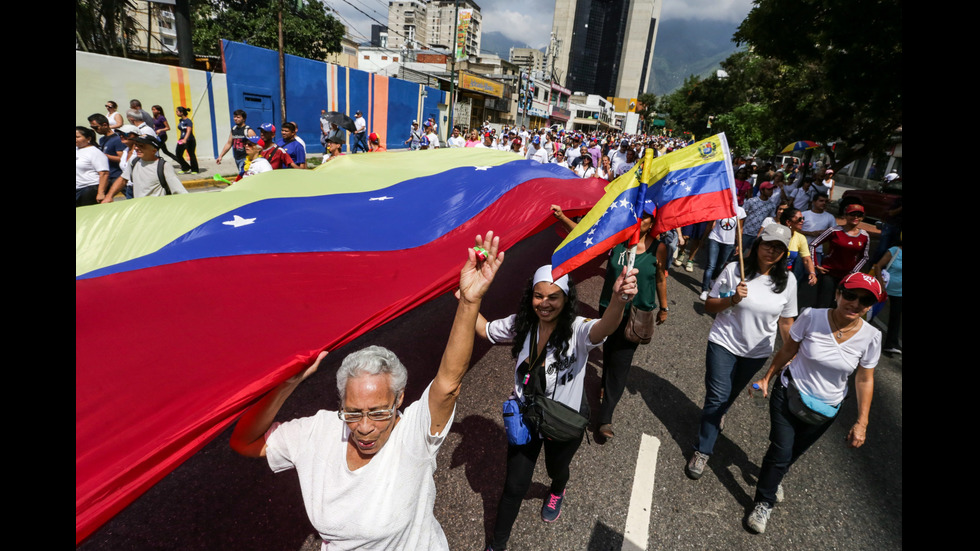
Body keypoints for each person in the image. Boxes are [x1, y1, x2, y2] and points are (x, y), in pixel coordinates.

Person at [230, 232, 504, 550]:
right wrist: (285, 388)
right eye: (353, 412)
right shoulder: (316, 432)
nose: (363, 427)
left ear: (399, 400)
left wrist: (470, 302)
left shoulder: (414, 436)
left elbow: (448, 384)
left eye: (377, 412)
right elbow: (244, 442)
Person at [476, 262, 637, 551]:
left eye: (553, 297)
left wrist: (618, 300)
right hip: (527, 420)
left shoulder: (577, 330)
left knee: (556, 468)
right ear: (531, 297)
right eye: (539, 296)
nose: (545, 303)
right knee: (514, 486)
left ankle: (557, 489)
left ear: (566, 298)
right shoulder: (522, 324)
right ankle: (496, 546)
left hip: (564, 421)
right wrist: (467, 300)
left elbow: (605, 326)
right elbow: (484, 329)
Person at [747, 273, 882, 534]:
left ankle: (775, 476)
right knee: (781, 450)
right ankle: (764, 501)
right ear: (838, 294)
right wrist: (766, 377)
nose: (855, 304)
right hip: (790, 391)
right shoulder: (812, 316)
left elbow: (865, 379)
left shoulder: (871, 337)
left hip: (826, 408)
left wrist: (862, 422)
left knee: (792, 452)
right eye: (851, 295)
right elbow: (789, 349)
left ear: (869, 307)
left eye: (864, 301)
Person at [685, 225, 797, 480]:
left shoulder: (788, 282)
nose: (772, 251)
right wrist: (733, 299)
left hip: (757, 351)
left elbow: (786, 321)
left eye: (779, 248)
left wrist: (791, 352)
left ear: (784, 253)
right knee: (717, 396)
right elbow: (710, 305)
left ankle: (718, 416)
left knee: (729, 395)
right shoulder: (735, 270)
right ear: (758, 243)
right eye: (768, 244)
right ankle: (703, 450)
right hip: (723, 343)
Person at [810, 203, 870, 308]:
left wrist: (853, 272)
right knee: (823, 303)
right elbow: (813, 245)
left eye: (859, 215)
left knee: (839, 305)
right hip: (828, 273)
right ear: (845, 216)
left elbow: (865, 256)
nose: (856, 217)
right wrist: (815, 264)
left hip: (847, 277)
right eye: (852, 214)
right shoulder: (834, 231)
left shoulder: (864, 236)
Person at [699, 206, 747, 301]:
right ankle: (704, 290)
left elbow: (739, 229)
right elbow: (710, 224)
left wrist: (739, 244)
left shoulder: (740, 211)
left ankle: (712, 279)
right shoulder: (719, 207)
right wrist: (703, 239)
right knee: (710, 265)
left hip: (729, 243)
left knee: (720, 265)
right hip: (715, 239)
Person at [873, 236, 902, 355]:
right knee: (871, 312)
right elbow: (878, 266)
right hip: (884, 288)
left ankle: (890, 345)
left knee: (895, 318)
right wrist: (881, 285)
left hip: (899, 292)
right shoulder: (895, 250)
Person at [76, 126, 109, 207]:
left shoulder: (94, 152)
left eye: (78, 137)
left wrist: (101, 193)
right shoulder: (78, 150)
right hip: (78, 188)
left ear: (88, 139)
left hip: (90, 189)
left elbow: (104, 173)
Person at [174, 106, 200, 174]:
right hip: (181, 140)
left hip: (189, 140)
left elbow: (188, 131)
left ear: (181, 112)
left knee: (191, 154)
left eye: (177, 111)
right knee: (178, 154)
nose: (176, 113)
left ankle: (195, 169)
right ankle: (185, 167)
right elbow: (182, 130)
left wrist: (185, 139)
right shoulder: (181, 120)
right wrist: (181, 139)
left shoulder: (188, 121)